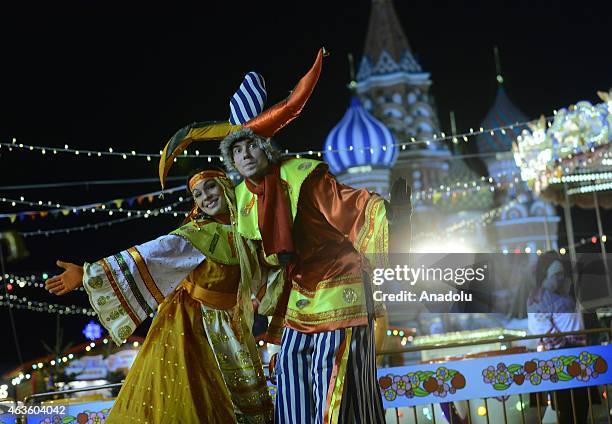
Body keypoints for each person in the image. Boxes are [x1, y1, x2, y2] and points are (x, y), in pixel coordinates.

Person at [217, 49, 412, 424]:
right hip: (297, 298)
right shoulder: (242, 200)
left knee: (331, 375)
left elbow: (348, 204)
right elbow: (253, 257)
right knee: (289, 368)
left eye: (251, 145)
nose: (244, 154)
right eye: (236, 149)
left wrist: (393, 217)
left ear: (266, 146)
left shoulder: (304, 176)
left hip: (339, 284)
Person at [45, 168, 274, 423]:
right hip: (192, 329)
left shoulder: (250, 231)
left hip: (232, 327)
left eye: (210, 187)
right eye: (197, 194)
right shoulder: (195, 235)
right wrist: (89, 274)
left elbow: (264, 277)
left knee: (241, 399)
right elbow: (147, 256)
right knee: (192, 399)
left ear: (225, 186)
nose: (205, 197)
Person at [527, 251, 588, 424]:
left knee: (581, 406)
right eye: (556, 274)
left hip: (575, 354)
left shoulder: (562, 294)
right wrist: (567, 348)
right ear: (545, 275)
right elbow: (543, 330)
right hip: (562, 357)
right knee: (570, 409)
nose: (560, 278)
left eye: (562, 273)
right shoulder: (538, 298)